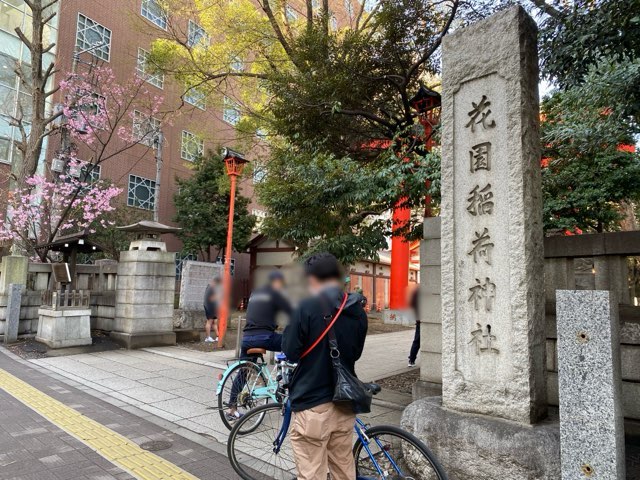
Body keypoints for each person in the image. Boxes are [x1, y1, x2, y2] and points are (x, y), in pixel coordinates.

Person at [282, 252, 368, 480]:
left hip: (313, 404)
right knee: (343, 469)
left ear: (311, 279)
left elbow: (290, 352)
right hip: (345, 402)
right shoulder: (356, 308)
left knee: (312, 472)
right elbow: (356, 354)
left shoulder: (306, 306)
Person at [227, 270, 292, 420]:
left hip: (247, 339)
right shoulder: (276, 293)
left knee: (243, 371)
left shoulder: (255, 293)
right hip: (264, 337)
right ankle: (287, 385)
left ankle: (232, 409)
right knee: (294, 344)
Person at [203, 276, 221, 343]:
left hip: (212, 306)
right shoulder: (210, 288)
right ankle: (208, 337)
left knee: (215, 322)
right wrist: (218, 297)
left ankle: (218, 336)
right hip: (209, 306)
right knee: (209, 322)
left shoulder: (211, 288)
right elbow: (211, 299)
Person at [408, 284, 420, 367]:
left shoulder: (416, 291)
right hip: (428, 319)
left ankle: (411, 360)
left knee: (417, 341)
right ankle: (411, 359)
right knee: (417, 341)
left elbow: (411, 304)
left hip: (419, 319)